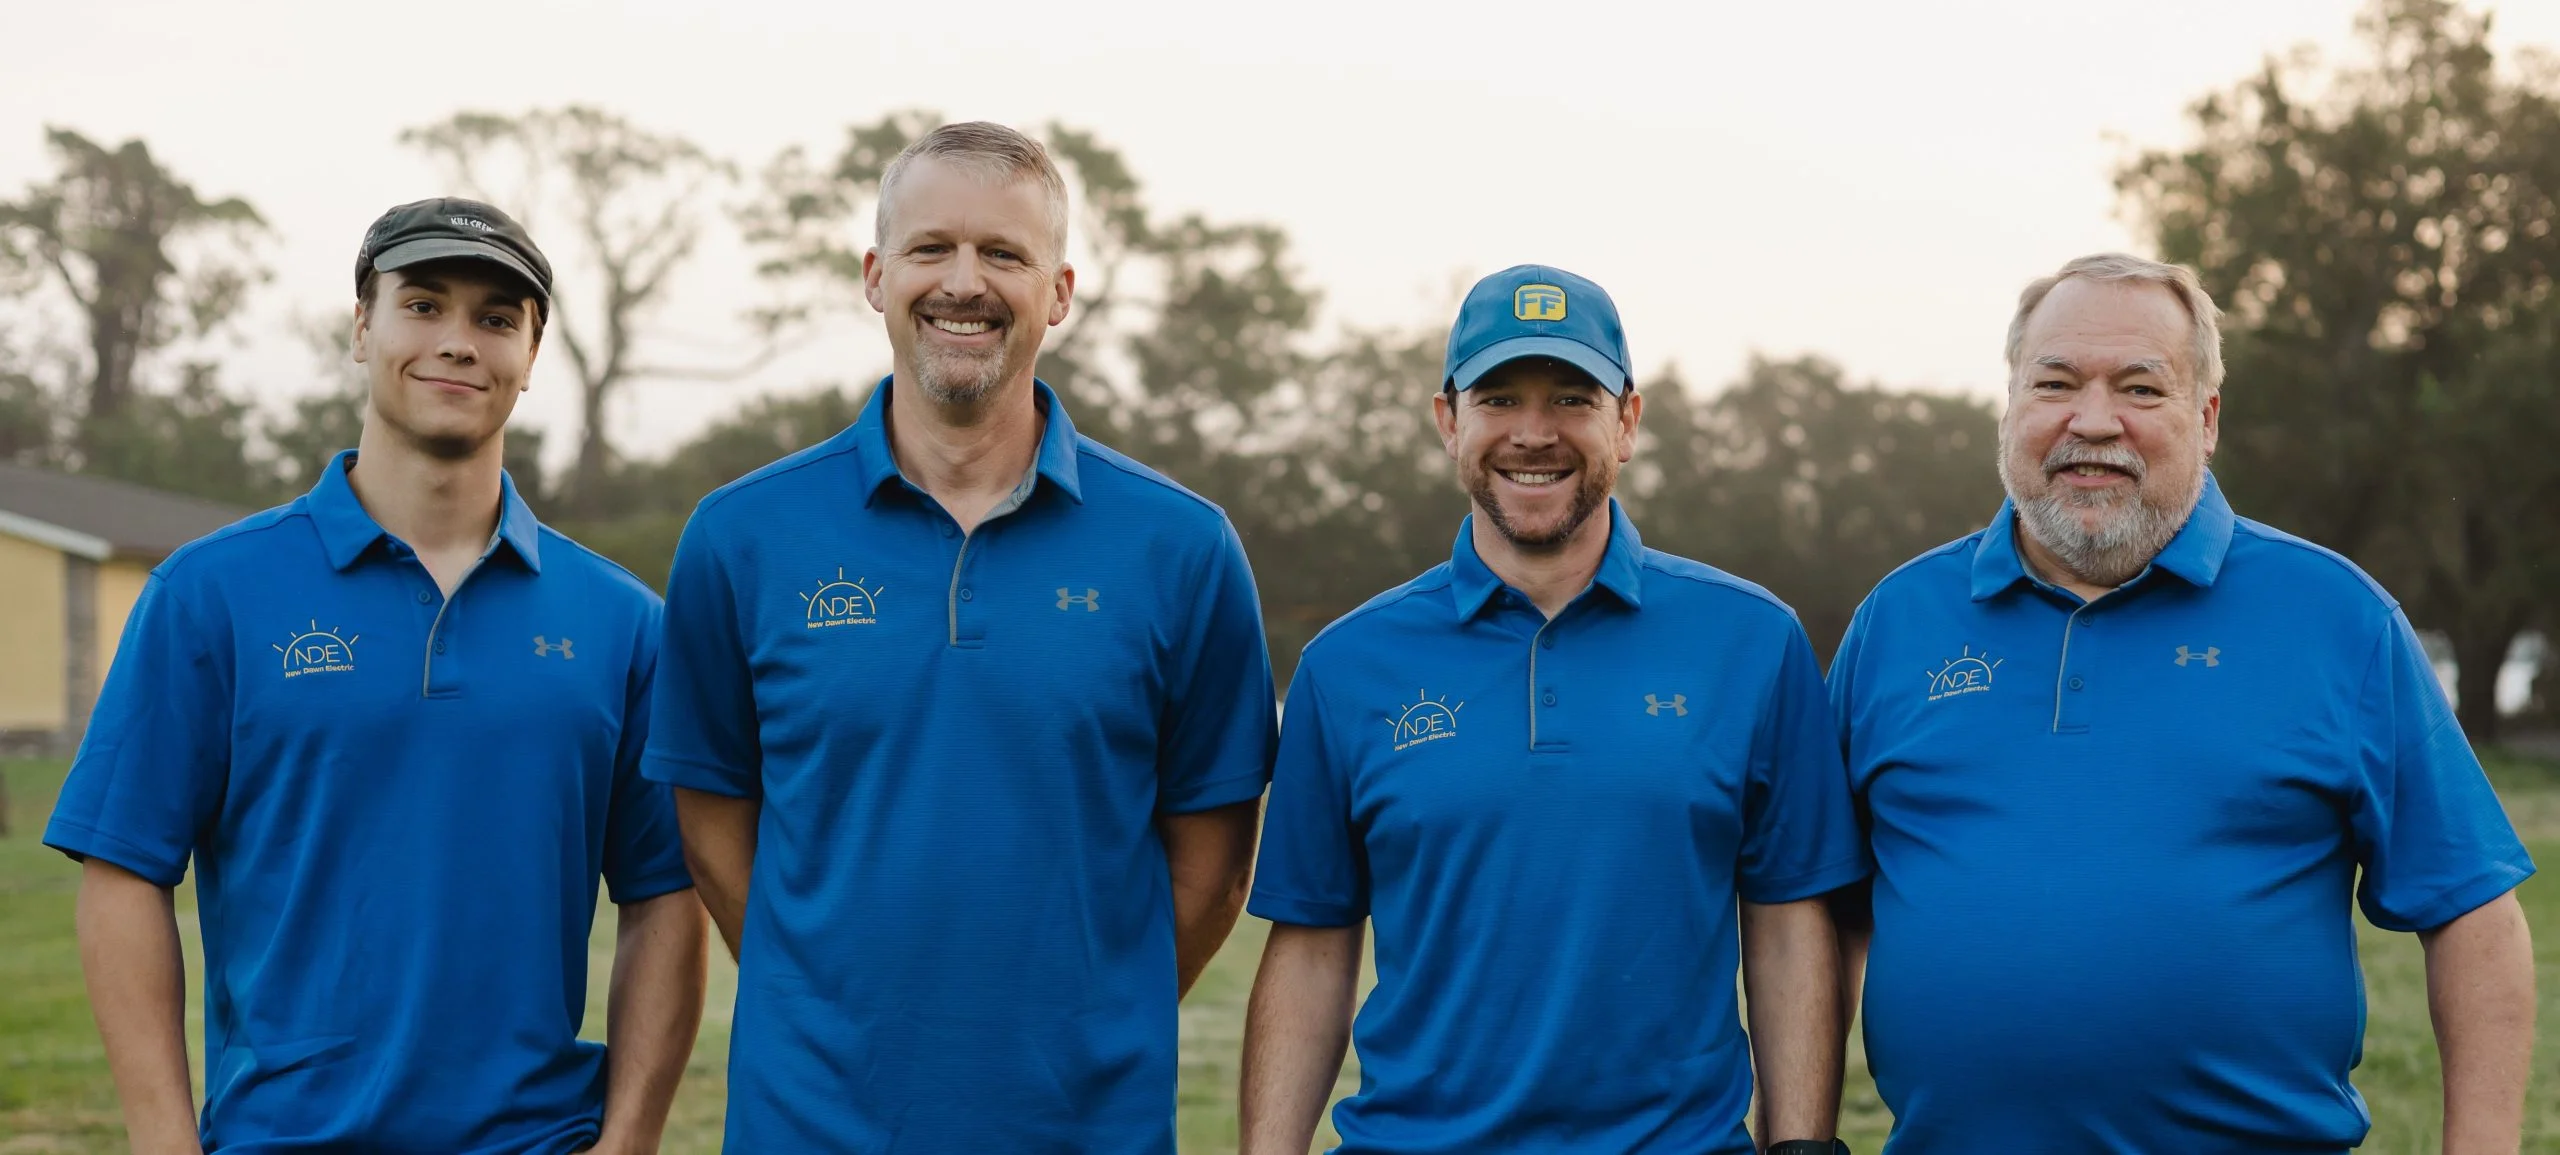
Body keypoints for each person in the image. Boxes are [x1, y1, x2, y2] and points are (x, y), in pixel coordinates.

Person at [642, 121, 1277, 1152]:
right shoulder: (740, 535)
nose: (963, 283)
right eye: (931, 249)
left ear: (1059, 293)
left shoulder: (1181, 547)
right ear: (875, 274)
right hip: (808, 1122)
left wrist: (1087, 1020)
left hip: (1085, 1127)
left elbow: (1213, 866)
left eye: (1004, 255)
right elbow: (711, 820)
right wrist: (824, 990)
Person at [1828, 253, 2539, 1152]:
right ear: (2010, 409)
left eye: (2140, 387)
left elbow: (2472, 910)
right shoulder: (1899, 620)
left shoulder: (2336, 617)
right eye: (2054, 383)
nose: (2093, 421)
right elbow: (1819, 907)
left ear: (2205, 419)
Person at [44, 197, 706, 1153]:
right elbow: (122, 871)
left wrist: (631, 1136)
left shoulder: (624, 623)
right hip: (283, 1136)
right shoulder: (210, 594)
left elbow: (665, 893)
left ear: (531, 354)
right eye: (424, 305)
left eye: (494, 318)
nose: (458, 342)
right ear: (363, 327)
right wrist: (163, 1139)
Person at [1238, 265, 1866, 1155]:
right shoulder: (1346, 664)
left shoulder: (1754, 640)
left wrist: (1799, 1147)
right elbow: (1311, 943)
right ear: (1449, 420)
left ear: (1628, 422)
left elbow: (1787, 916)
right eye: (1498, 399)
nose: (1534, 433)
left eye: (1573, 397)